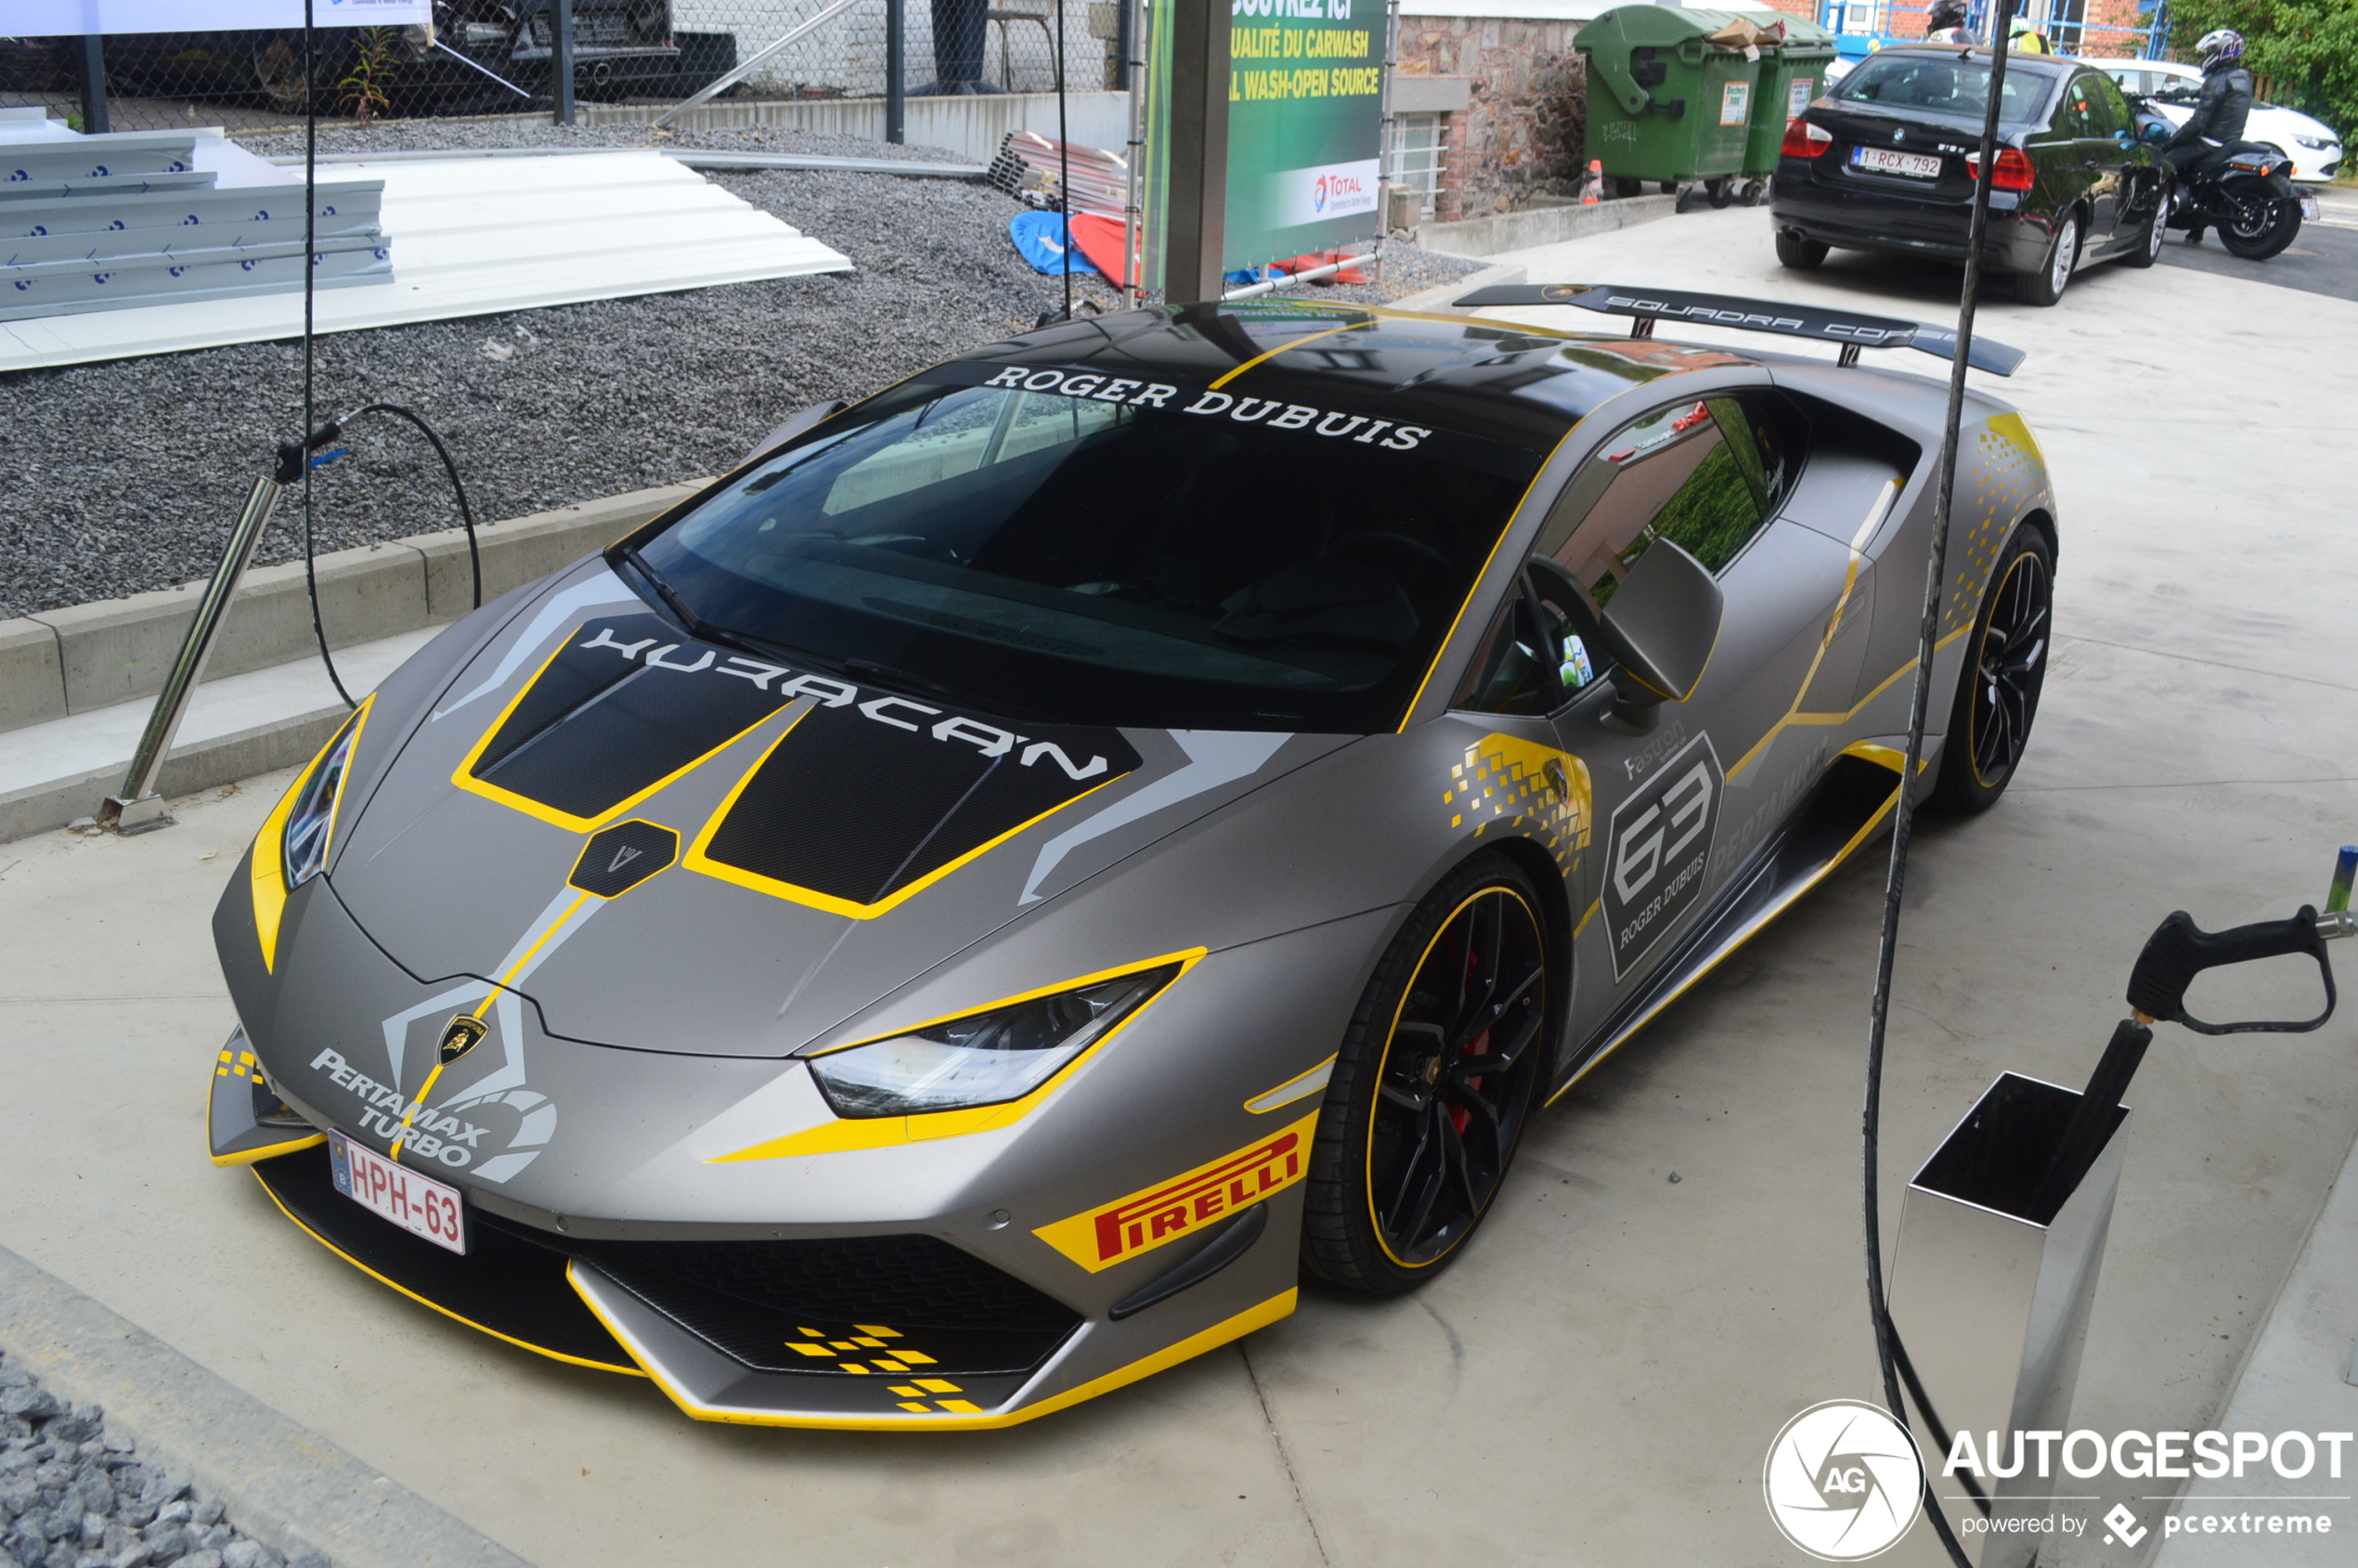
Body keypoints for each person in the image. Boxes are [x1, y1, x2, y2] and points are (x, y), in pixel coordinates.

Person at [2161, 28, 2254, 243]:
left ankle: (2152, 217)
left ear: (2220, 52)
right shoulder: (2242, 77)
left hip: (2210, 143)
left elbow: (2197, 124)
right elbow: (2220, 98)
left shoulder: (2217, 81)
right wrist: (2187, 94)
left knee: (2163, 163)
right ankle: (2196, 229)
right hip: (2228, 142)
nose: (2205, 57)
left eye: (2208, 52)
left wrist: (2168, 144)